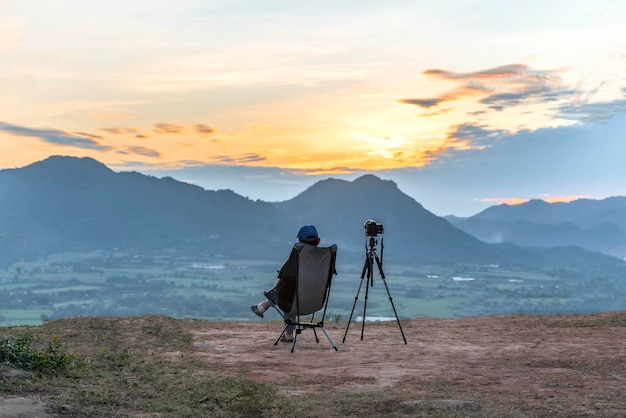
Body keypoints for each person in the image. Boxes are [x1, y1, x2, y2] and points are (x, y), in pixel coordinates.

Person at [250, 225, 321, 342]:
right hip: (315, 302)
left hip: (295, 302)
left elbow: (279, 281)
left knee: (287, 290)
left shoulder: (297, 256)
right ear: (318, 241)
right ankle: (262, 308)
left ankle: (265, 308)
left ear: (299, 242)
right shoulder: (325, 258)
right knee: (291, 290)